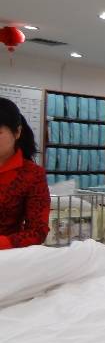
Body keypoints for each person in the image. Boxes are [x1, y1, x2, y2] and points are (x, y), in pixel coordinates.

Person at [0, 97, 50, 249]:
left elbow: (38, 231)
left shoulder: (33, 175)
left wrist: (4, 243)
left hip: (7, 255)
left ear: (17, 132)